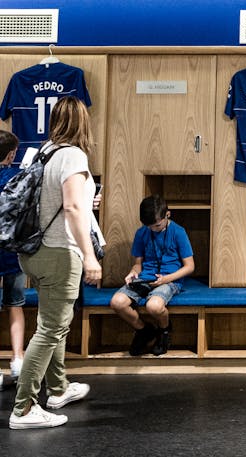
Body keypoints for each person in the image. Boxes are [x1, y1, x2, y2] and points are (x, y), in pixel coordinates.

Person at [8, 96, 102, 430]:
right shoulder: (74, 155)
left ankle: (58, 389)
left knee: (54, 324)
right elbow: (74, 209)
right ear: (83, 122)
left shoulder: (43, 151)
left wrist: (86, 199)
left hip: (32, 252)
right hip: (59, 252)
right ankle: (23, 408)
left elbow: (58, 201)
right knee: (50, 329)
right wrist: (89, 256)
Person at [109, 195, 193, 356]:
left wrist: (166, 279)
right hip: (145, 277)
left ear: (167, 214)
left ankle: (164, 331)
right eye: (149, 226)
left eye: (157, 225)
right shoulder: (142, 232)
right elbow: (138, 264)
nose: (153, 229)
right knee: (117, 302)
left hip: (170, 279)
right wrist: (133, 273)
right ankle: (144, 330)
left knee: (153, 306)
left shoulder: (178, 232)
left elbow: (190, 267)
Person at [0, 130, 26, 387]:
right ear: (11, 154)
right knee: (15, 305)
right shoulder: (16, 177)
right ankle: (17, 360)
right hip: (11, 250)